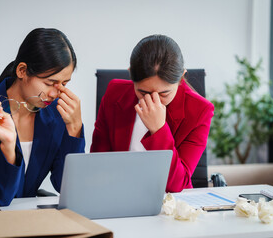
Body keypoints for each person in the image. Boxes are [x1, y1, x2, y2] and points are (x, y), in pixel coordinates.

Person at [0, 28, 85, 206]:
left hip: (27, 218)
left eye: (64, 83)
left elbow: (66, 186)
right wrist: (8, 147)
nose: (57, 92)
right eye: (50, 83)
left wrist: (74, 129)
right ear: (22, 71)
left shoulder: (57, 114)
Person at [90, 34, 214, 192]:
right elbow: (97, 165)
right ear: (130, 74)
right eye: (143, 92)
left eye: (164, 94)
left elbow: (177, 185)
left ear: (181, 77)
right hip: (117, 194)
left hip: (168, 202)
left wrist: (159, 130)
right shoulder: (114, 93)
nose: (153, 100)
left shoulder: (200, 111)